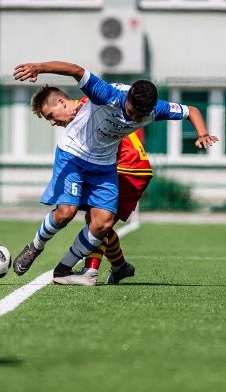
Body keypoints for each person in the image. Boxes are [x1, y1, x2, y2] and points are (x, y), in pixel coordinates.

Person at [11, 61, 218, 285]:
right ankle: (34, 247)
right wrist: (39, 68)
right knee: (66, 212)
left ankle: (63, 270)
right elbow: (76, 71)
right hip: (73, 155)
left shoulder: (156, 108)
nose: (135, 119)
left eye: (141, 115)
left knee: (103, 223)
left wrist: (203, 132)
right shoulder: (107, 94)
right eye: (131, 112)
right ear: (127, 99)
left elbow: (191, 111)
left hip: (105, 165)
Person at [29, 86, 154, 286]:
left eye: (51, 116)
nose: (53, 123)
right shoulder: (88, 105)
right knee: (99, 222)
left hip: (127, 167)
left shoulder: (88, 107)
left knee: (97, 219)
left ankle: (91, 271)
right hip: (132, 166)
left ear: (63, 103)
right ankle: (120, 266)